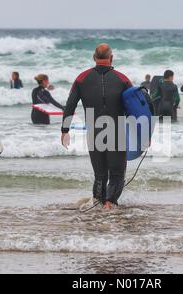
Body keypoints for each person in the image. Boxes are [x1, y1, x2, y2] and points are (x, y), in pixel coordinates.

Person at [61, 44, 132, 210]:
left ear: (94, 57)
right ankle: (110, 203)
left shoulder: (81, 78)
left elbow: (70, 105)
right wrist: (144, 135)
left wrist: (65, 130)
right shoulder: (123, 79)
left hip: (94, 131)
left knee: (100, 175)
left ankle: (98, 206)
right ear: (112, 58)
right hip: (116, 132)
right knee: (117, 174)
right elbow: (137, 107)